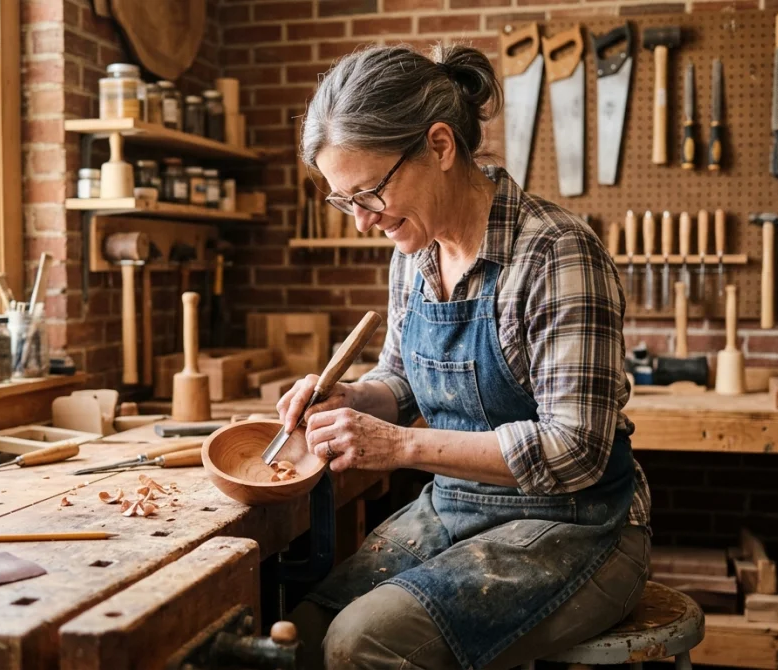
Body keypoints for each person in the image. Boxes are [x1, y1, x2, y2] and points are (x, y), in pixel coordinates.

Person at [278, 43, 652, 670]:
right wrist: (351, 400)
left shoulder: (555, 254)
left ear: (441, 146)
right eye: (345, 202)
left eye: (368, 193)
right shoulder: (413, 254)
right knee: (304, 629)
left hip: (580, 527)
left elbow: (575, 449)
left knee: (360, 642)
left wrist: (398, 448)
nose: (363, 223)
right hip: (457, 509)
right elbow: (399, 378)